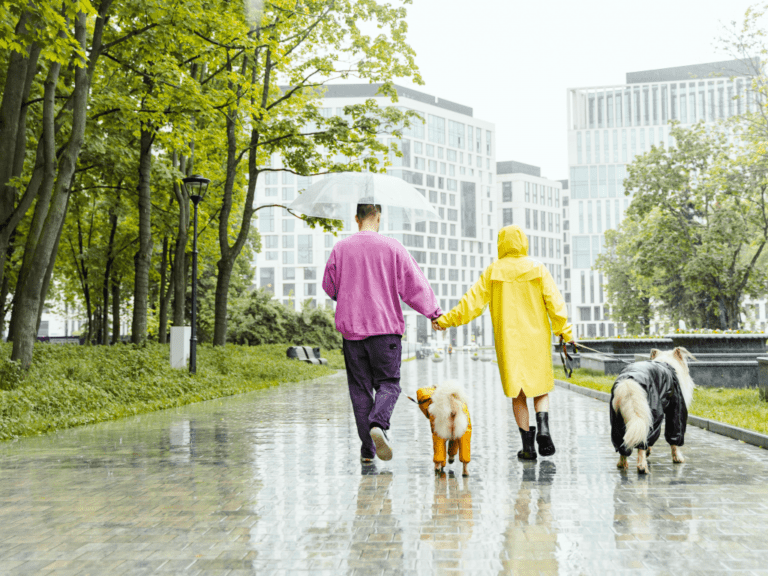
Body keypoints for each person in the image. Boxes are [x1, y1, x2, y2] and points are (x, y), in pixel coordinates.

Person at [432, 225, 574, 460]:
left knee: (518, 395)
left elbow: (471, 304)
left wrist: (445, 320)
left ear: (501, 244)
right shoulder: (538, 268)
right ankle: (544, 429)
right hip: (537, 339)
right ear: (523, 242)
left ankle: (528, 447)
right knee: (540, 389)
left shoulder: (493, 271)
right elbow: (555, 304)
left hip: (510, 342)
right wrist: (566, 333)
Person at [322, 203, 442, 463]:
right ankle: (379, 424)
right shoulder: (393, 247)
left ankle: (368, 450)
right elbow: (414, 285)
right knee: (388, 385)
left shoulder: (340, 248)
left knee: (360, 390)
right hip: (385, 331)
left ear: (356, 218)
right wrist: (433, 312)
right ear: (377, 217)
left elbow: (329, 286)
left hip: (352, 333)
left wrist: (346, 297)